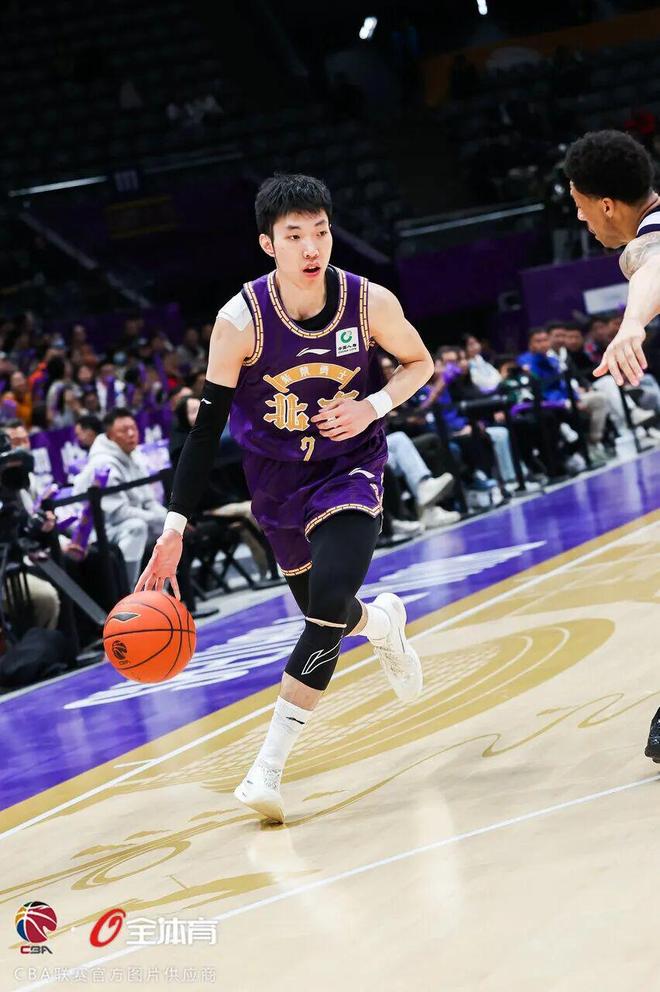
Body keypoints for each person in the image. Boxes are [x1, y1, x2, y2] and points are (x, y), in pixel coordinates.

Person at [136, 173, 434, 823]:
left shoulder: (368, 302)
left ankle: (266, 770)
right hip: (276, 484)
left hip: (349, 467)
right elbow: (205, 430)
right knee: (328, 610)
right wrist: (175, 526)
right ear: (268, 244)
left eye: (320, 232)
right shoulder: (239, 321)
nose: (311, 247)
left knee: (325, 606)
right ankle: (382, 625)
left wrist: (373, 406)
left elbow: (421, 363)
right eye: (294, 236)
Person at [564, 128, 660, 760]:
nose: (580, 220)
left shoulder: (651, 236)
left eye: (580, 207)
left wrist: (629, 326)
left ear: (606, 205)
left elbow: (655, 265)